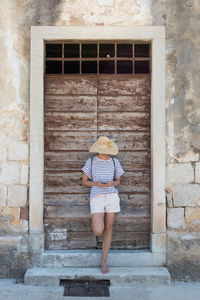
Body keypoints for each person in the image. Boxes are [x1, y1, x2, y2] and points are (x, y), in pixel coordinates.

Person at [82, 136, 125, 274]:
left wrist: (111, 183)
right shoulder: (91, 162)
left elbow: (118, 181)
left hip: (112, 196)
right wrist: (96, 184)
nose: (104, 152)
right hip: (97, 197)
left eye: (106, 150)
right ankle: (102, 260)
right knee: (98, 231)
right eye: (101, 150)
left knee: (108, 229)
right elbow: (84, 181)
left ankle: (103, 262)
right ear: (97, 149)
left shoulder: (114, 161)